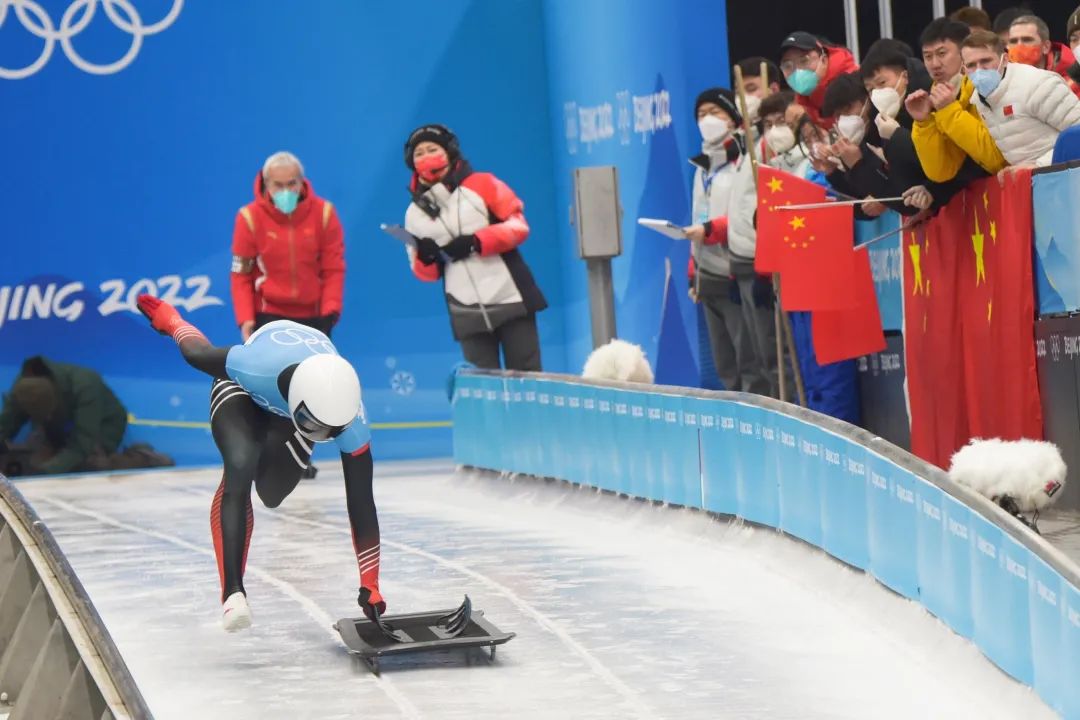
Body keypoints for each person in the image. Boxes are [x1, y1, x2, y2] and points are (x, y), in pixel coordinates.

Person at [134, 294, 383, 632]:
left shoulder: (351, 417)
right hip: (242, 391)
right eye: (314, 426)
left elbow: (361, 501)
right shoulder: (256, 365)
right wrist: (171, 320)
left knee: (272, 494)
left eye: (327, 432)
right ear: (300, 405)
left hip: (291, 409)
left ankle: (282, 436)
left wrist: (371, 583)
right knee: (241, 463)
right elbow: (198, 353)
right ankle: (233, 593)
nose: (323, 433)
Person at [402, 124, 545, 371]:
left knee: (527, 380)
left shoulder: (483, 183)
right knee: (481, 390)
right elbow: (424, 273)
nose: (426, 157)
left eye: (432, 149)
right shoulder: (413, 214)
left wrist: (476, 242)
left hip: (510, 298)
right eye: (419, 153)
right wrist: (426, 258)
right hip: (464, 309)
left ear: (449, 151)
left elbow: (519, 226)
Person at [684, 88, 761, 393]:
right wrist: (694, 275)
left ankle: (756, 421)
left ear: (732, 118)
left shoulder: (743, 160)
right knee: (725, 363)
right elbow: (698, 216)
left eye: (715, 113)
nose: (707, 120)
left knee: (749, 359)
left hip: (737, 271)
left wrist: (710, 229)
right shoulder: (703, 166)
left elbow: (746, 216)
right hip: (709, 274)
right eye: (701, 115)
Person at [231, 151, 345, 342]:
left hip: (315, 317)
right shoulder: (248, 218)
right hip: (267, 316)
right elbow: (241, 274)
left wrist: (330, 311)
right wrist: (245, 319)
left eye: (292, 183)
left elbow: (333, 269)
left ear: (301, 181)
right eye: (278, 185)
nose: (286, 191)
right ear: (266, 183)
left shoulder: (325, 214)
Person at [0, 356, 139, 475]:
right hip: (59, 428)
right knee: (32, 460)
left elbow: (83, 444)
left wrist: (43, 473)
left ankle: (141, 456)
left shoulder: (85, 384)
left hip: (102, 426)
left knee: (89, 464)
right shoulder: (24, 387)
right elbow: (5, 426)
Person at [908, 18, 1007, 183]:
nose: (935, 64)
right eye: (927, 56)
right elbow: (941, 173)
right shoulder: (935, 98)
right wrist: (924, 123)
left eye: (941, 54)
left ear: (963, 53)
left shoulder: (988, 84)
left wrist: (949, 111)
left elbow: (996, 158)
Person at [961, 29, 1080, 167]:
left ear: (1004, 59)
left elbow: (1078, 134)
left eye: (985, 61)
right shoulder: (979, 100)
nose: (979, 70)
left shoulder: (1038, 84)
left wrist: (1038, 165)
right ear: (964, 70)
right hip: (1034, 180)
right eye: (971, 65)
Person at [778, 31, 859, 129]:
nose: (797, 71)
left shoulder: (856, 82)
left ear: (823, 60)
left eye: (804, 61)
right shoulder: (800, 104)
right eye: (787, 66)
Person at [1007, 14, 1080, 95]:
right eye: (1013, 41)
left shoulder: (1073, 83)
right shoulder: (1001, 82)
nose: (1019, 46)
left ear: (1045, 47)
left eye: (1027, 40)